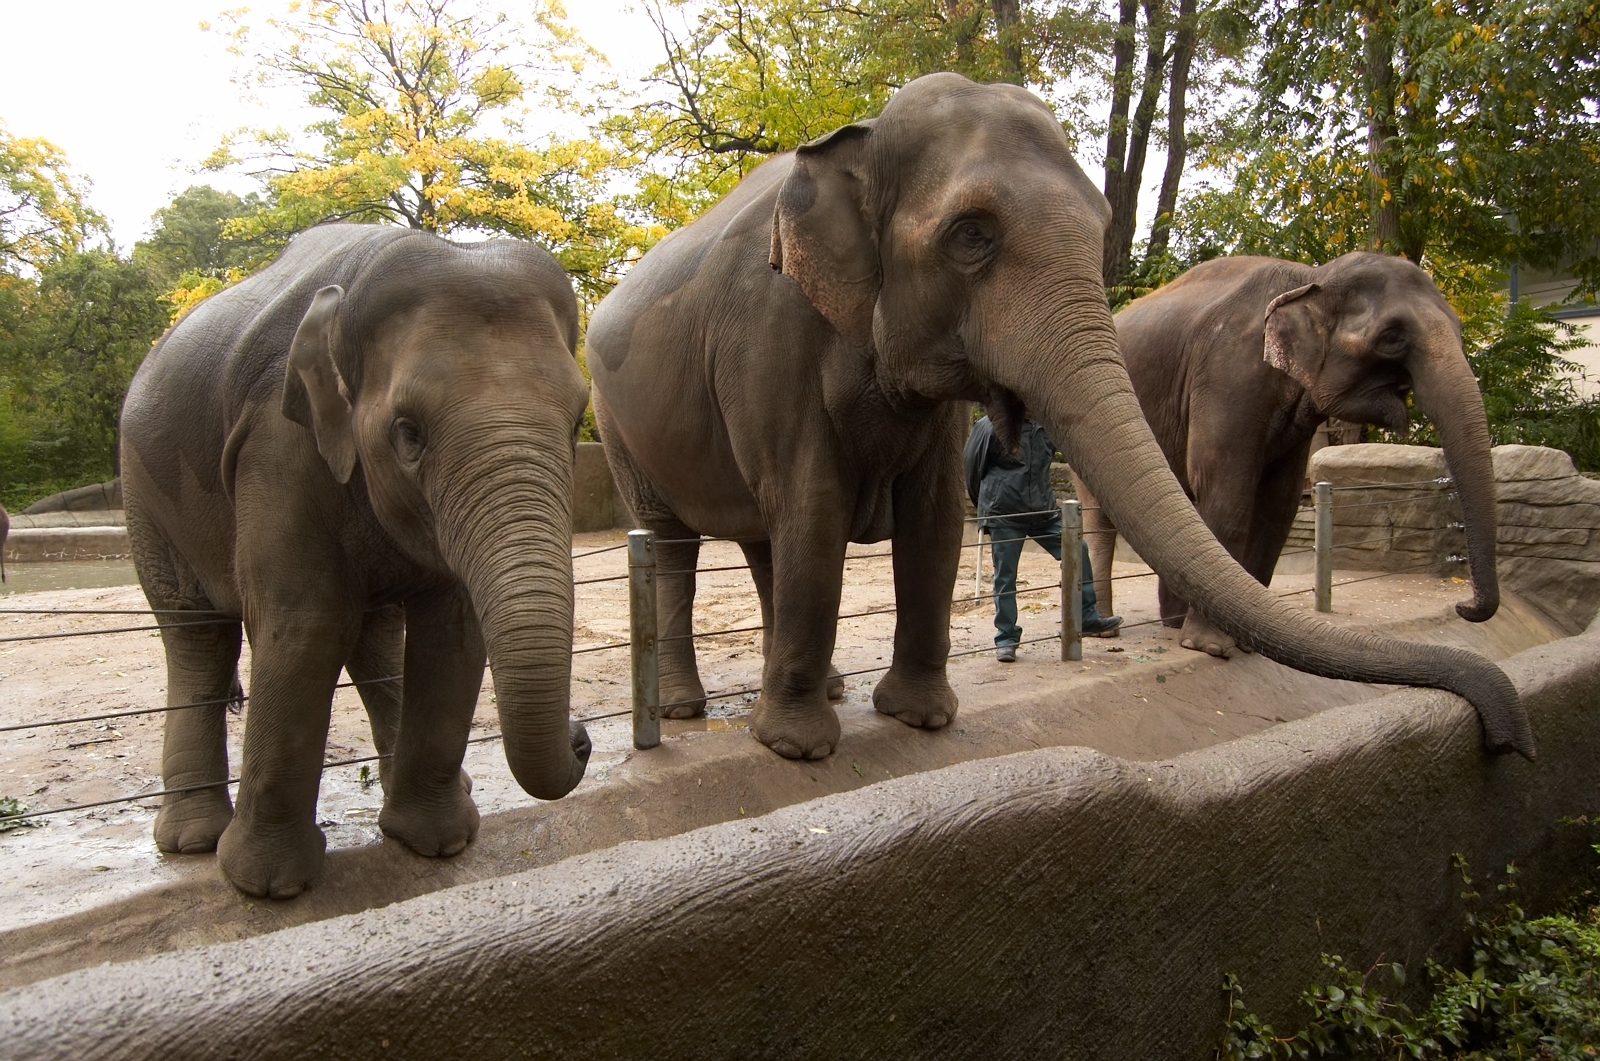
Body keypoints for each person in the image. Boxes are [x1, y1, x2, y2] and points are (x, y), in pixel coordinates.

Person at [963, 414, 1121, 662]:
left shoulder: (1045, 426)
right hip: (1005, 513)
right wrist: (988, 508)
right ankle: (1006, 639)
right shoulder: (989, 425)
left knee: (1076, 548)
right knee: (1005, 577)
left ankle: (1086, 616)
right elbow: (971, 468)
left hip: (1042, 511)